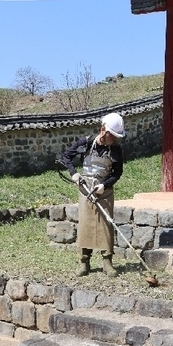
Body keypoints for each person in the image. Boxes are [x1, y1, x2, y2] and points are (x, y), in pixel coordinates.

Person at [60, 112, 125, 277]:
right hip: (85, 190)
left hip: (104, 191)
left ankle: (107, 262)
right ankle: (84, 262)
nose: (115, 139)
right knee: (85, 226)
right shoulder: (87, 142)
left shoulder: (116, 150)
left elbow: (117, 173)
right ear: (103, 130)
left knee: (106, 225)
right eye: (112, 135)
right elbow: (66, 156)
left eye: (117, 136)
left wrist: (105, 185)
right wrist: (74, 174)